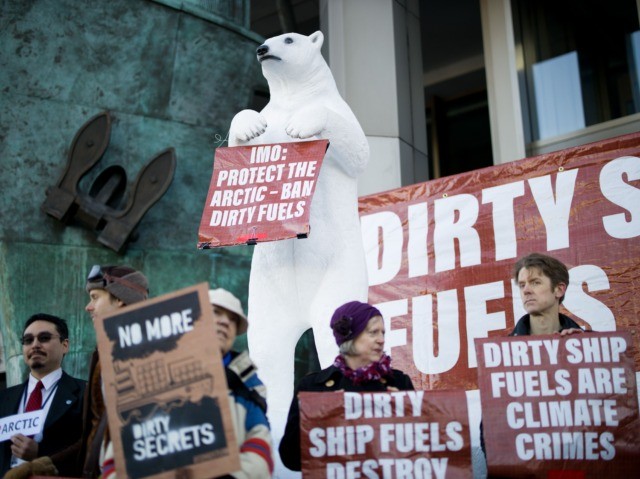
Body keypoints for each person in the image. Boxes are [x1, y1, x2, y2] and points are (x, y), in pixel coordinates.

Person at [5, 265, 150, 479]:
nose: (88, 307)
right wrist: (44, 465)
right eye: (27, 340)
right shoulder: (103, 353)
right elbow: (94, 436)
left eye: (94, 297)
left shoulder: (152, 349)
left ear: (120, 298)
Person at [278, 300, 414, 471]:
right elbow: (291, 459)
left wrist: (406, 415)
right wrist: (319, 417)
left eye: (383, 333)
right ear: (350, 336)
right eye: (373, 333)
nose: (381, 340)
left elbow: (422, 451)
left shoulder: (399, 383)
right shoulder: (313, 387)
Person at [0, 314, 86, 477]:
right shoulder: (3, 399)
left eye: (44, 338)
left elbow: (91, 449)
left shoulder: (84, 392)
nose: (35, 345)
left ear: (65, 345)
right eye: (28, 340)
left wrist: (41, 452)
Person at [209, 288, 273, 478]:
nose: (224, 322)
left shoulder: (249, 384)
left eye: (233, 319)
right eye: (215, 312)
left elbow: (260, 443)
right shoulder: (157, 373)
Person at [510, 252, 586, 336]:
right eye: (522, 285)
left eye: (535, 283)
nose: (525, 290)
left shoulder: (588, 343)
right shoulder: (505, 348)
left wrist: (582, 345)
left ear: (559, 290)